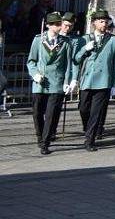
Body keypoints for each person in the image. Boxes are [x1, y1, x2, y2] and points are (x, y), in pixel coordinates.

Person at [73, 9, 115, 152]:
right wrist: (84, 49)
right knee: (83, 108)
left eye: (106, 22)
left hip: (103, 81)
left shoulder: (114, 40)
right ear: (94, 23)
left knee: (96, 112)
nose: (104, 24)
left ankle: (90, 140)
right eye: (101, 21)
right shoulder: (85, 39)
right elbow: (76, 59)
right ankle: (88, 128)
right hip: (87, 80)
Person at [27, 12, 75, 155]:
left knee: (51, 114)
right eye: (56, 24)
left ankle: (45, 143)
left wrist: (67, 82)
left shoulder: (65, 42)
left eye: (60, 23)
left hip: (56, 82)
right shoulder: (38, 40)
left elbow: (68, 64)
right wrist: (35, 74)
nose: (59, 26)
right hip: (40, 83)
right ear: (48, 25)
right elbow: (31, 61)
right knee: (37, 113)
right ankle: (40, 136)